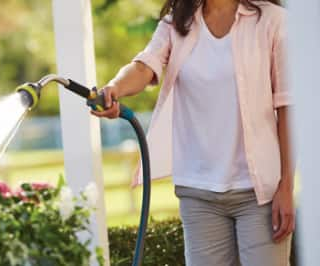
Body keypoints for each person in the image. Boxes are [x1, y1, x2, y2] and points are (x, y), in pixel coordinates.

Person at [91, 0, 295, 265]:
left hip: (259, 195)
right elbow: (144, 66)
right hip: (198, 193)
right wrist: (114, 88)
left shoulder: (272, 20)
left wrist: (286, 186)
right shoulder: (177, 23)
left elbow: (288, 105)